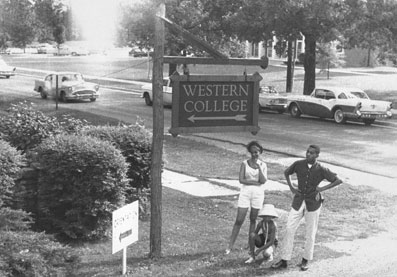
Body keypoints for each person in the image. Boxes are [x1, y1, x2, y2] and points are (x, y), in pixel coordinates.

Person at [272, 145, 343, 271]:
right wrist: (291, 188)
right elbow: (286, 172)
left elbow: (338, 180)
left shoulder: (321, 168)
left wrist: (322, 189)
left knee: (310, 232)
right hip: (298, 201)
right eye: (307, 152)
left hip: (313, 203)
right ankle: (284, 260)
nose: (308, 154)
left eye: (311, 153)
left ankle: (305, 260)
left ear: (317, 155)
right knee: (289, 228)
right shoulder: (298, 164)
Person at [225, 141, 267, 255]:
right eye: (252, 152)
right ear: (250, 152)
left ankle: (250, 245)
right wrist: (255, 182)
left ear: (260, 152)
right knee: (239, 220)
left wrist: (259, 169)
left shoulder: (263, 165)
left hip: (258, 194)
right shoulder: (244, 163)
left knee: (253, 219)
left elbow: (263, 181)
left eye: (257, 152)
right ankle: (230, 246)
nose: (254, 154)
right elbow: (241, 180)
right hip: (245, 193)